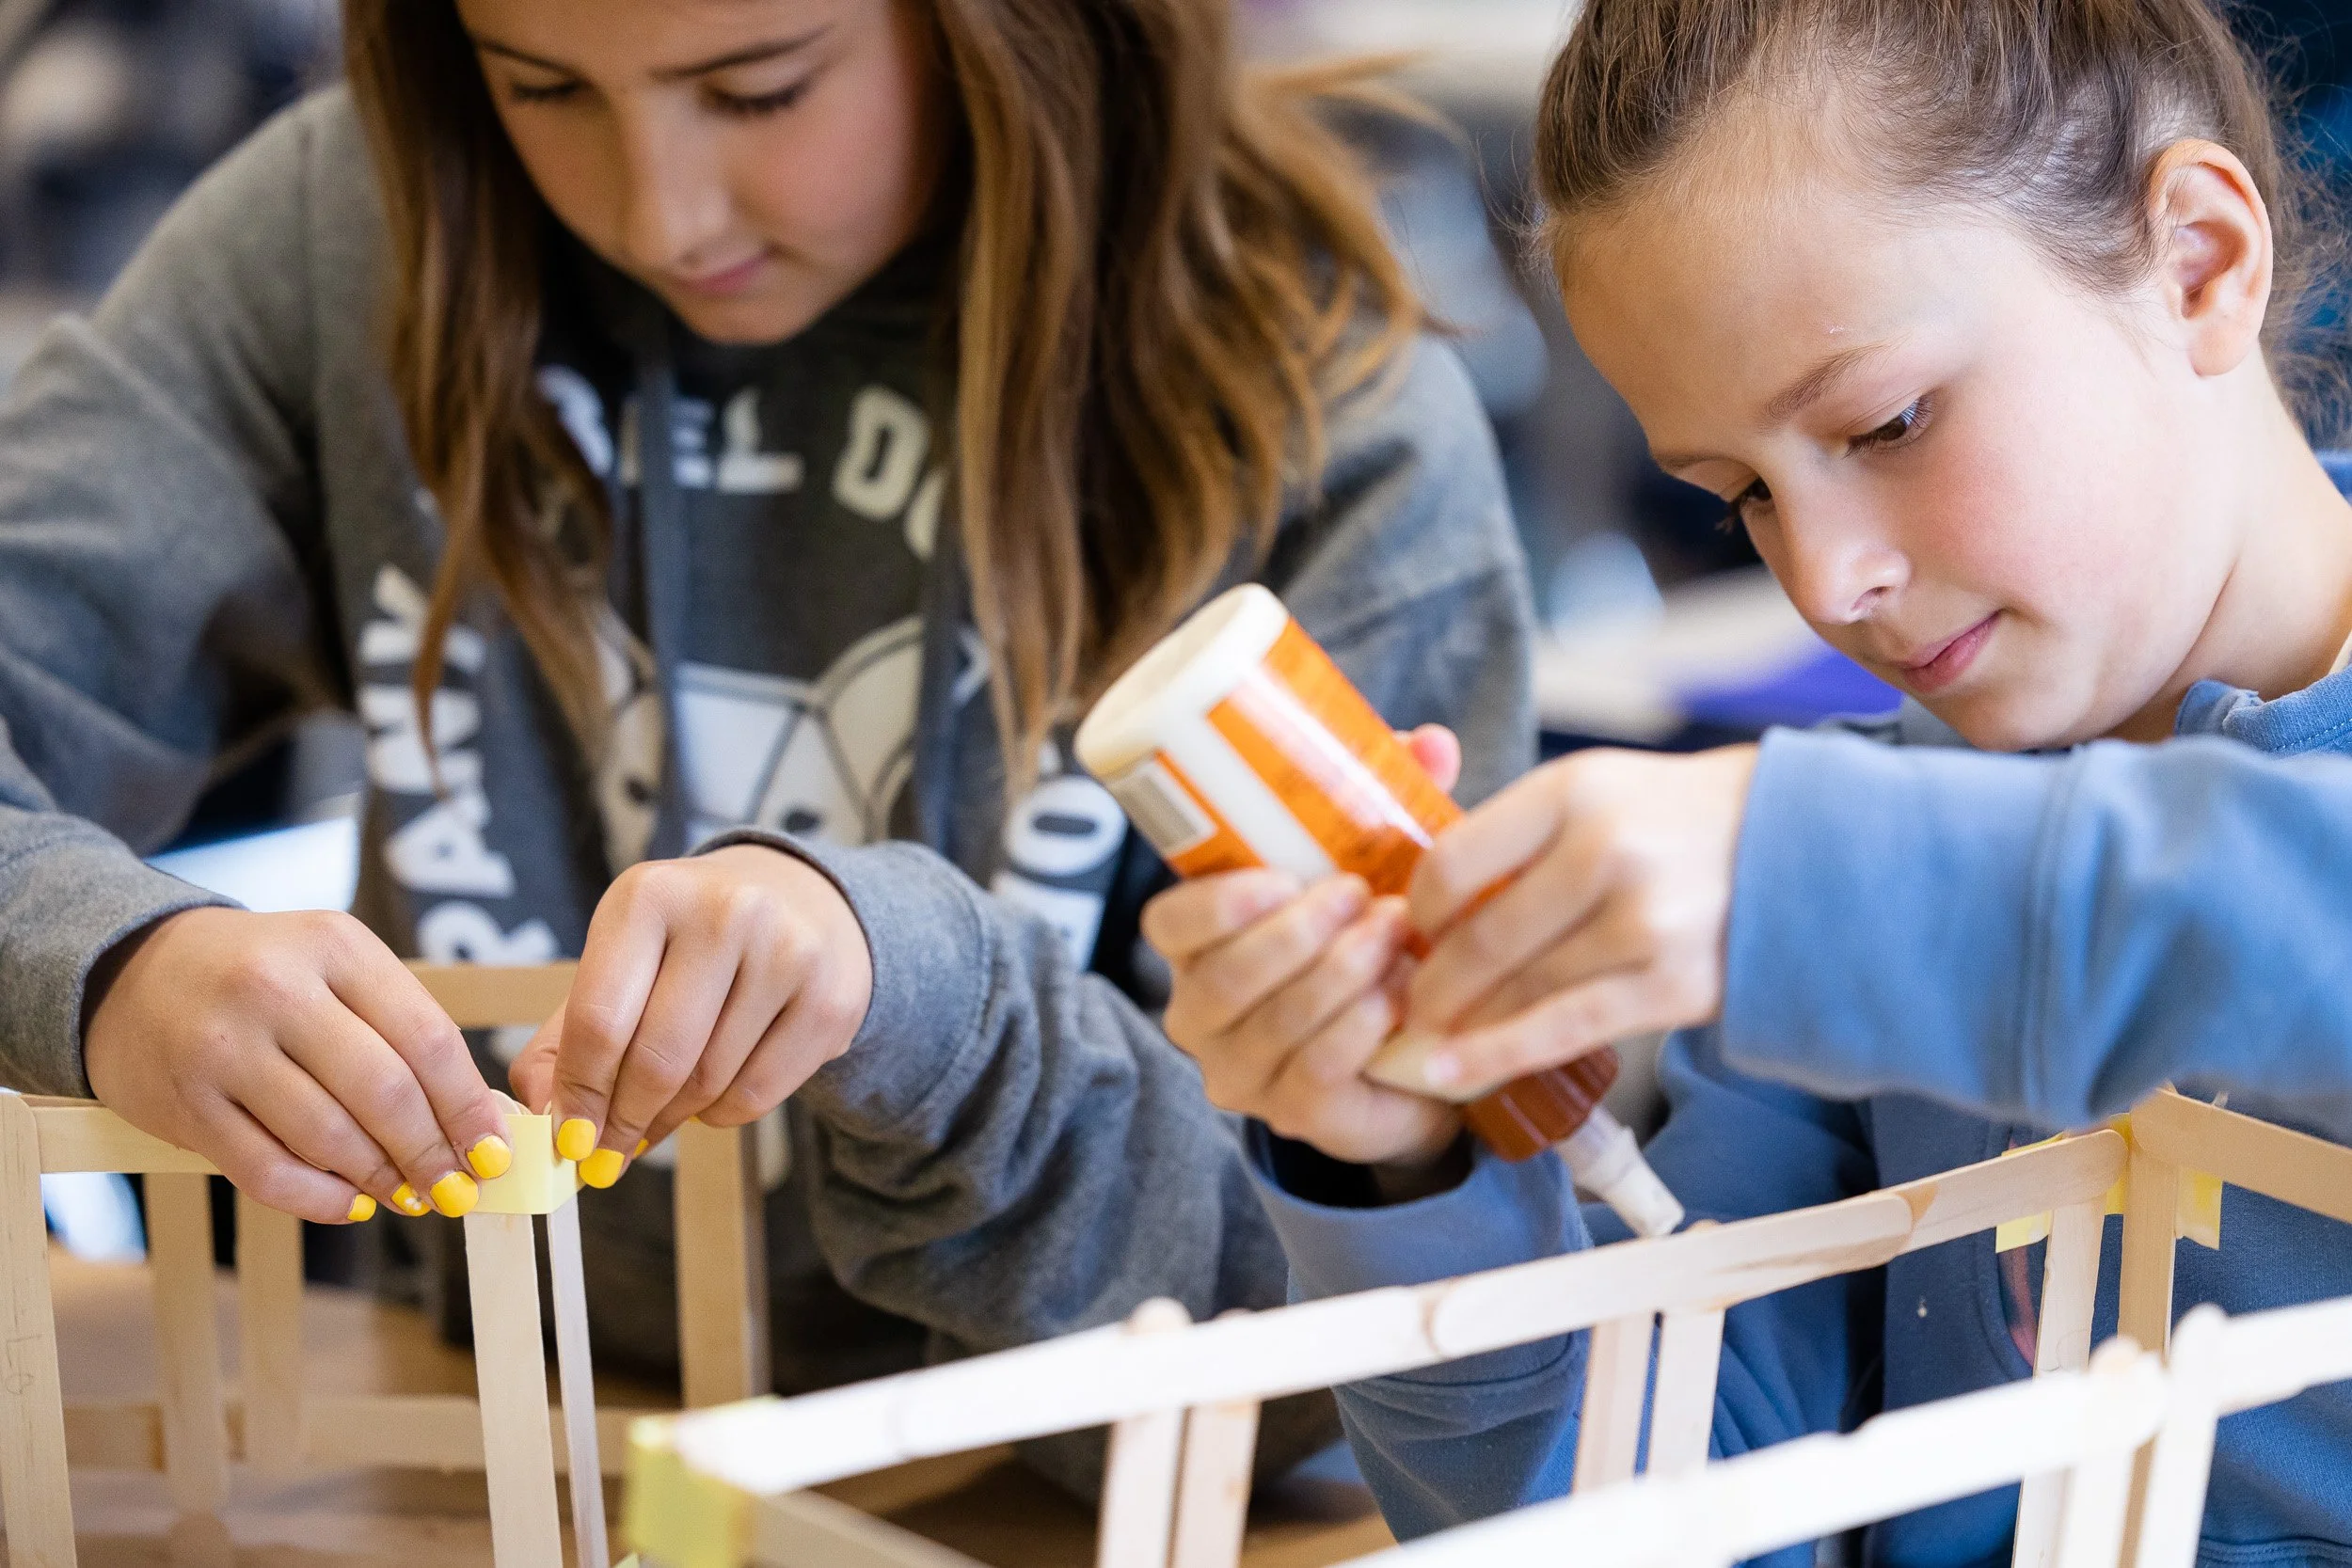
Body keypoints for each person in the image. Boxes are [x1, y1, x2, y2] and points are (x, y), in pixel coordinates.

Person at [0, 0, 1535, 1482]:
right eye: (541, 85)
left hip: (1064, 1510)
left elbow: (1368, 1355)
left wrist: (926, 1005)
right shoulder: (350, 235)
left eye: (758, 90)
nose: (661, 214)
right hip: (493, 1438)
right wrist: (107, 962)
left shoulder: (1316, 400)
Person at [1146, 0, 2352, 1555]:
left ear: (2196, 260)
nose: (1829, 579)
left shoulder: (1835, 881)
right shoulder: (1836, 899)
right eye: (1744, 498)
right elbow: (1655, 1511)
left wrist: (1806, 881)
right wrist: (1403, 1168)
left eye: (1887, 420)